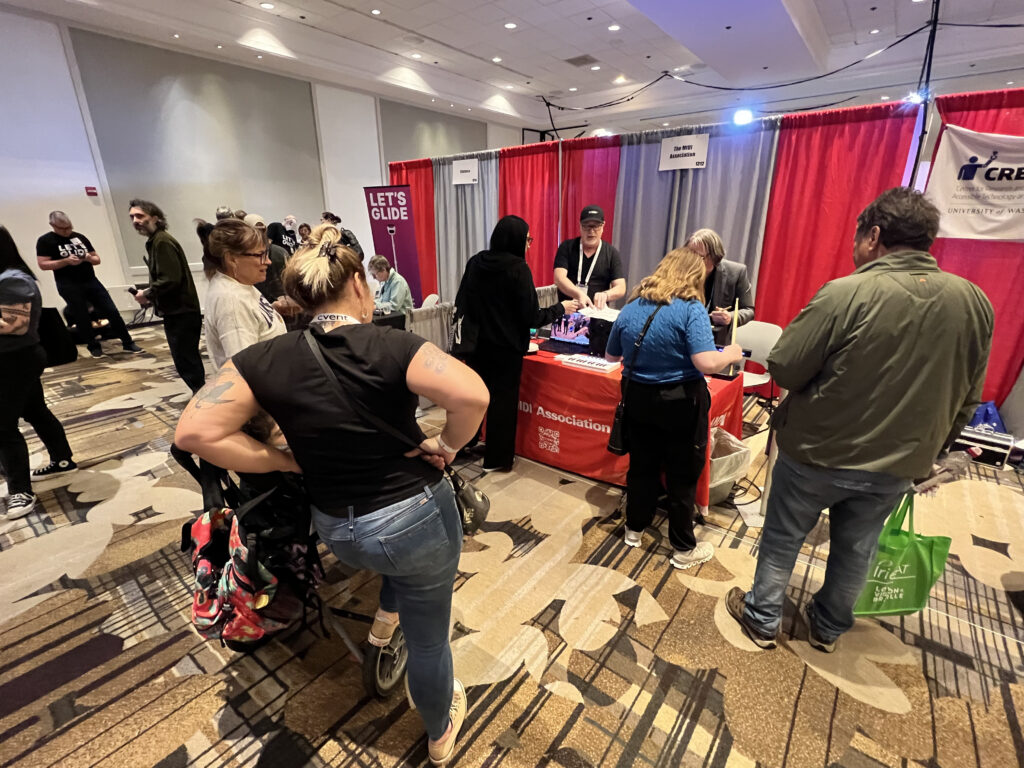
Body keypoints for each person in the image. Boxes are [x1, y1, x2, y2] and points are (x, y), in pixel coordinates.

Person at [174, 222, 489, 765]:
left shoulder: (265, 359)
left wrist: (280, 460)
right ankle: (440, 734)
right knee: (432, 637)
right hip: (413, 517)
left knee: (394, 567)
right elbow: (474, 395)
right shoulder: (392, 343)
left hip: (338, 527)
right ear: (362, 288)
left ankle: (385, 622)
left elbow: (193, 434)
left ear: (300, 297)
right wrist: (448, 444)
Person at [725, 188, 994, 653]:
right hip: (899, 462)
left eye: (856, 237)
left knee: (783, 535)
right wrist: (934, 452)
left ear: (873, 235)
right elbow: (969, 396)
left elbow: (785, 366)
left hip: (816, 451)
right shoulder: (973, 301)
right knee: (858, 548)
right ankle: (828, 629)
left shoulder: (847, 292)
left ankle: (762, 618)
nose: (854, 248)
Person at [606, 247, 743, 570]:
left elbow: (612, 357)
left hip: (637, 398)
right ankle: (683, 548)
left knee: (642, 466)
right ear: (695, 276)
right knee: (682, 475)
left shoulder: (633, 306)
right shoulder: (690, 309)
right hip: (680, 402)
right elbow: (706, 361)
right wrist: (732, 352)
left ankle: (634, 529)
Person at [453, 215, 577, 472]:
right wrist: (560, 308)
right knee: (502, 405)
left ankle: (463, 444)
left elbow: (462, 302)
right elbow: (532, 316)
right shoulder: (518, 269)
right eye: (528, 239)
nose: (529, 244)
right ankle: (496, 459)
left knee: (474, 398)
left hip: (476, 347)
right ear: (517, 239)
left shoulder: (476, 262)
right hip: (505, 351)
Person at [0, 226, 77, 519]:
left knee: (3, 427)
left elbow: (14, 325)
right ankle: (62, 459)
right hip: (15, 358)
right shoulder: (8, 278)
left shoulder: (12, 280)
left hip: (15, 359)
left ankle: (20, 490)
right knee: (35, 411)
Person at [35, 211, 143, 358]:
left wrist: (87, 258)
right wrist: (65, 261)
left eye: (69, 227)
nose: (67, 231)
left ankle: (128, 342)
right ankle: (93, 346)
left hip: (90, 280)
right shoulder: (46, 241)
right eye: (62, 228)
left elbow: (97, 259)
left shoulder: (79, 237)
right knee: (81, 316)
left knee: (111, 310)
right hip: (68, 284)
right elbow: (43, 264)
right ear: (52, 225)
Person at [129, 199, 205, 393]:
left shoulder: (162, 241)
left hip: (181, 311)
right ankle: (201, 395)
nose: (135, 220)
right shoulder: (156, 241)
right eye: (132, 217)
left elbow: (171, 279)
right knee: (187, 357)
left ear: (155, 218)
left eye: (140, 216)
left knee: (185, 359)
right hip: (178, 310)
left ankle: (202, 398)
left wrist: (147, 293)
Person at [198, 219, 286, 370]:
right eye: (260, 255)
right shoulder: (231, 300)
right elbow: (245, 368)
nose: (268, 261)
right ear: (232, 259)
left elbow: (252, 322)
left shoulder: (240, 285)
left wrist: (274, 310)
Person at [686, 228, 755, 346]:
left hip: (715, 342)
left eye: (699, 257)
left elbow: (749, 310)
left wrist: (730, 317)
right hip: (682, 338)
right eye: (689, 254)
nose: (692, 260)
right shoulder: (680, 270)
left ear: (714, 257)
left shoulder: (736, 272)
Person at [554, 205, 626, 310]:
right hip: (568, 313)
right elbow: (559, 278)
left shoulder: (611, 253)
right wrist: (579, 294)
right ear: (580, 226)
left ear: (603, 226)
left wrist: (606, 295)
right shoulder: (567, 247)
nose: (591, 231)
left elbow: (621, 287)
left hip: (596, 315)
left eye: (595, 226)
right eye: (586, 226)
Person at [243, 215, 288, 304]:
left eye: (261, 230)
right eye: (255, 230)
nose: (259, 234)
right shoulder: (241, 257)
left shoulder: (279, 252)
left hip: (281, 304)